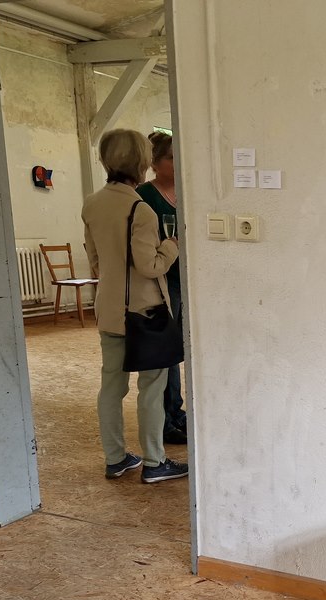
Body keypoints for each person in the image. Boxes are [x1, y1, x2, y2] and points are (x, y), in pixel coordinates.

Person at [82, 128, 188, 484]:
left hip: (109, 310)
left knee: (111, 388)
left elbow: (95, 260)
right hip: (146, 312)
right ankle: (155, 462)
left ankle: (115, 458)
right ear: (143, 162)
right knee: (152, 388)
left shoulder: (92, 203)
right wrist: (172, 245)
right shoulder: (141, 209)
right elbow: (150, 266)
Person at [136, 131, 186, 445]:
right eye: (170, 158)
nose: (177, 163)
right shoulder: (143, 196)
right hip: (162, 284)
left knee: (178, 351)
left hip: (186, 281)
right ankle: (166, 421)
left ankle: (177, 413)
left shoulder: (187, 192)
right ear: (154, 163)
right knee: (166, 354)